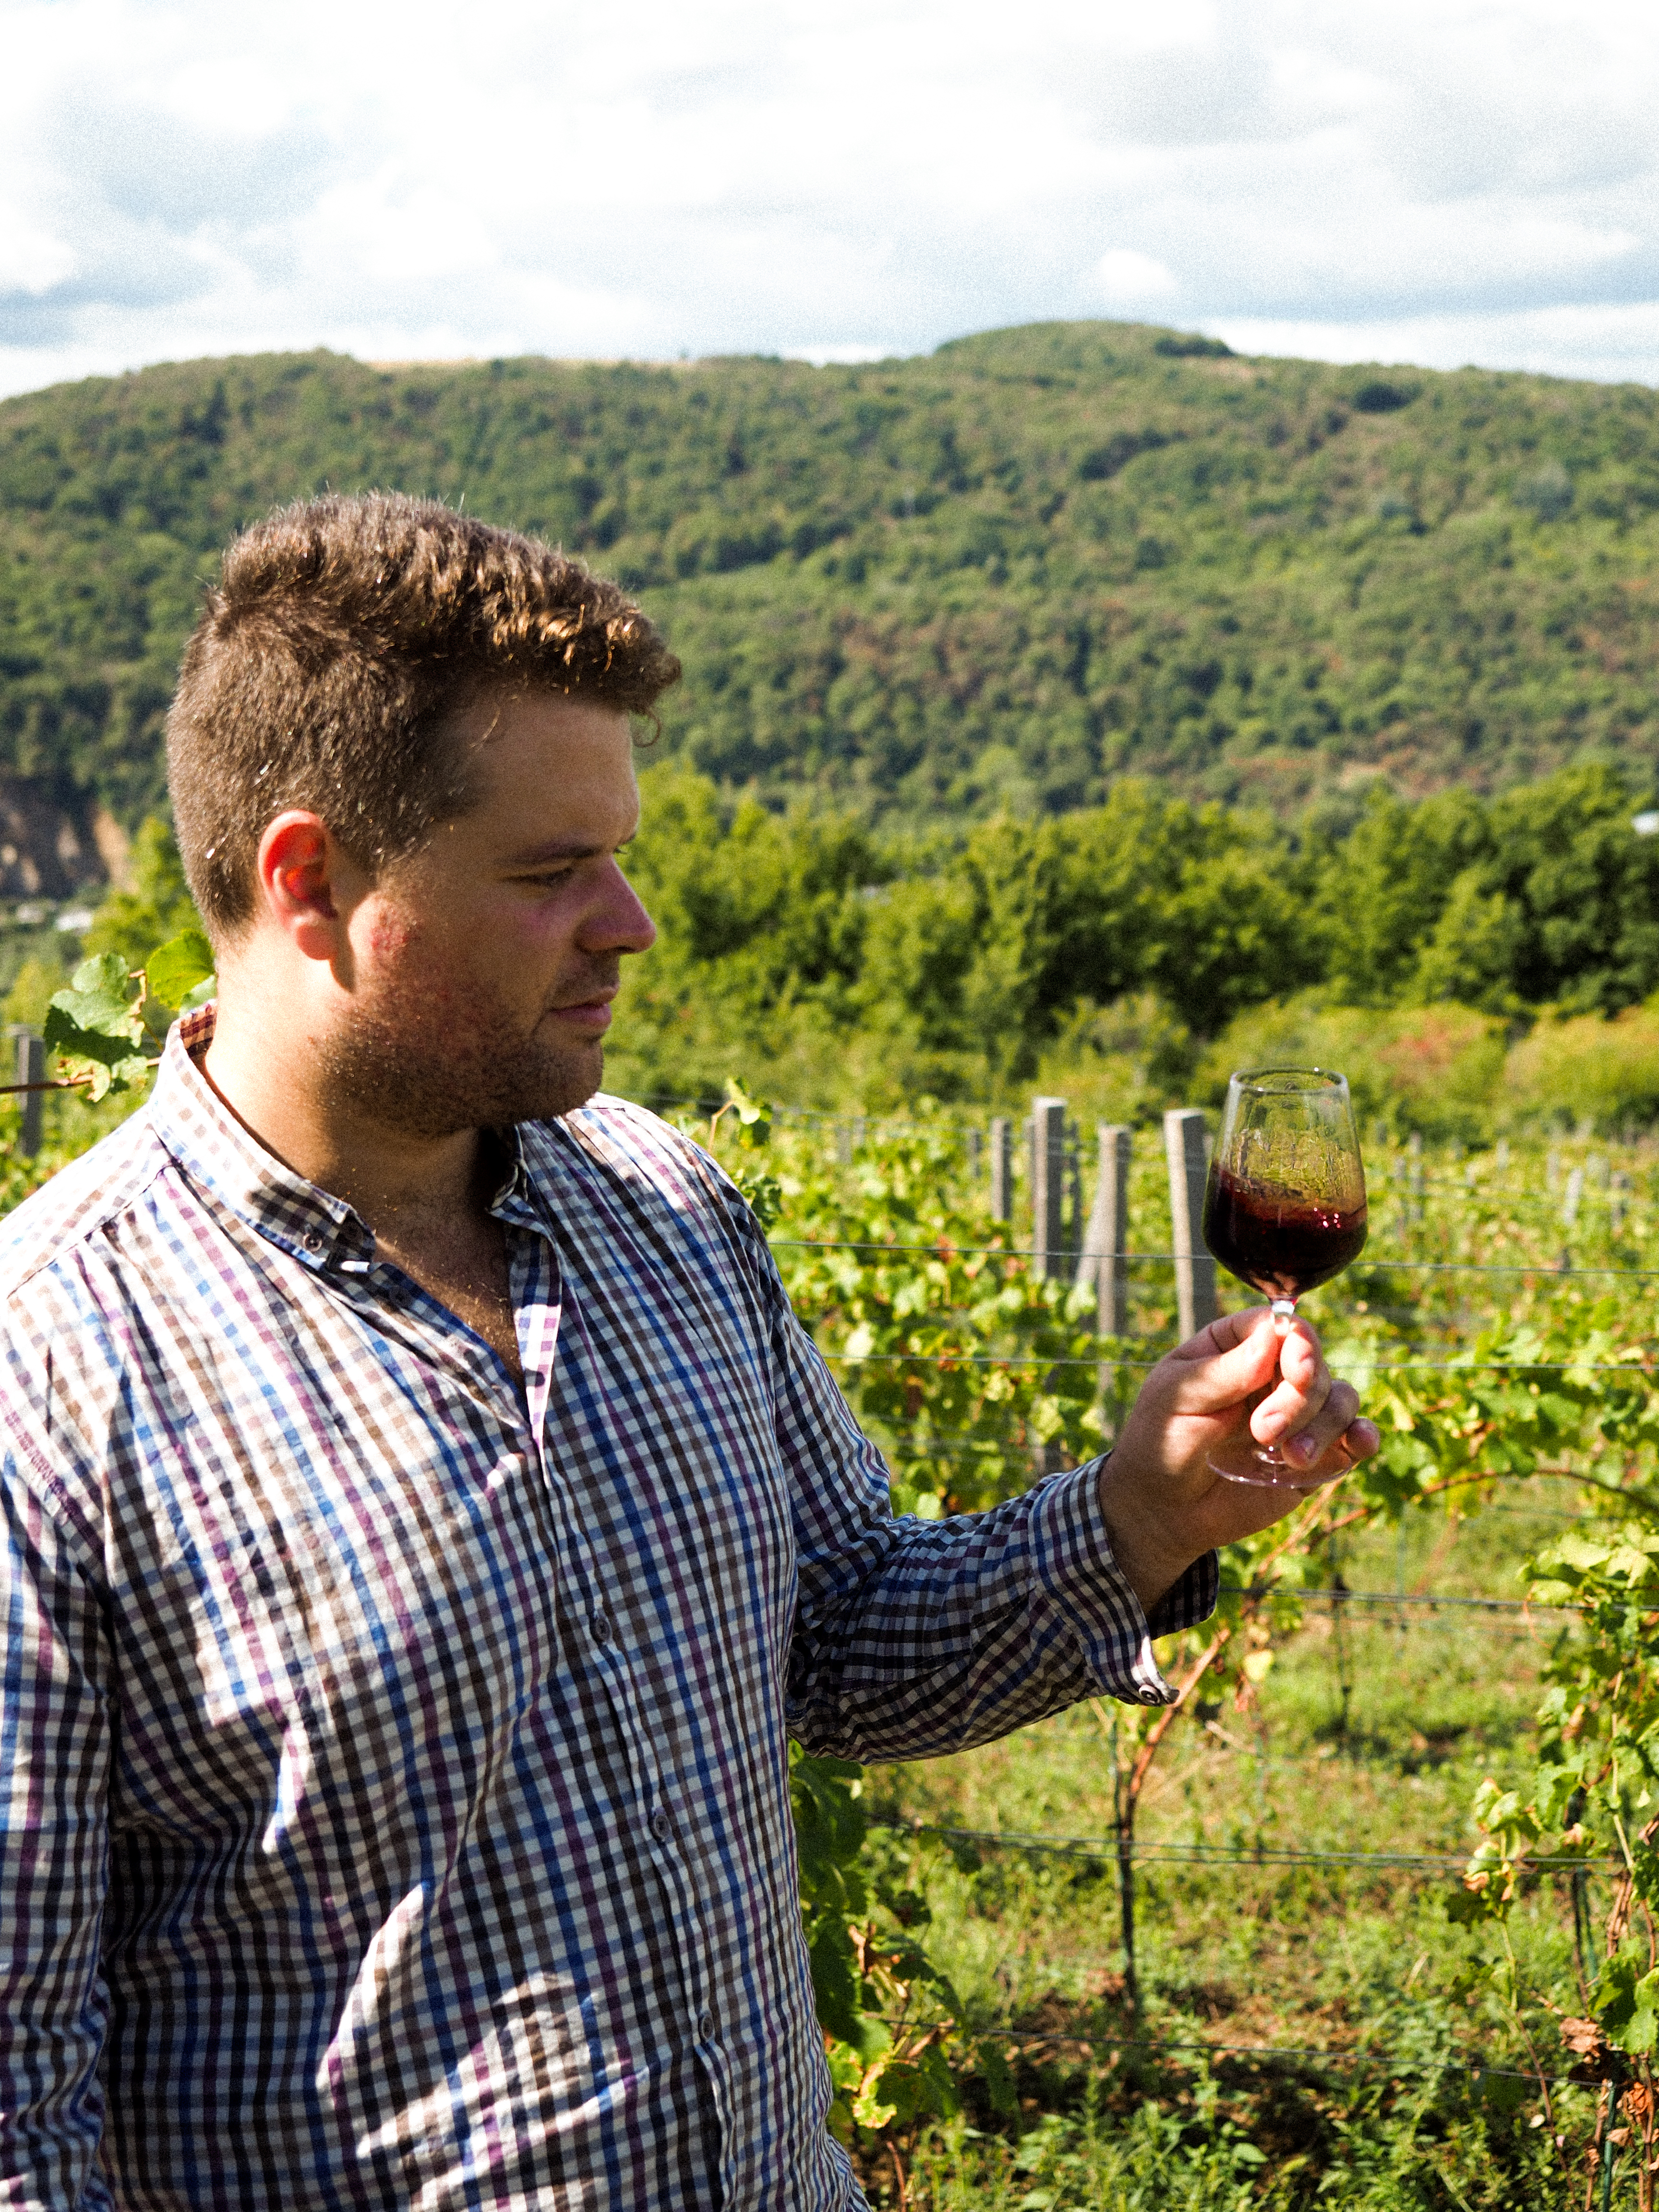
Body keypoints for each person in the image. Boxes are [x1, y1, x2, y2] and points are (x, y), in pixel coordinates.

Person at [0, 493, 1378, 2211]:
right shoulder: (47, 1381)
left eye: (621, 855)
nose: (632, 920)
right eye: (550, 870)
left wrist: (1139, 1520)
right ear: (313, 881)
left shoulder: (662, 1199)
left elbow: (848, 1648)